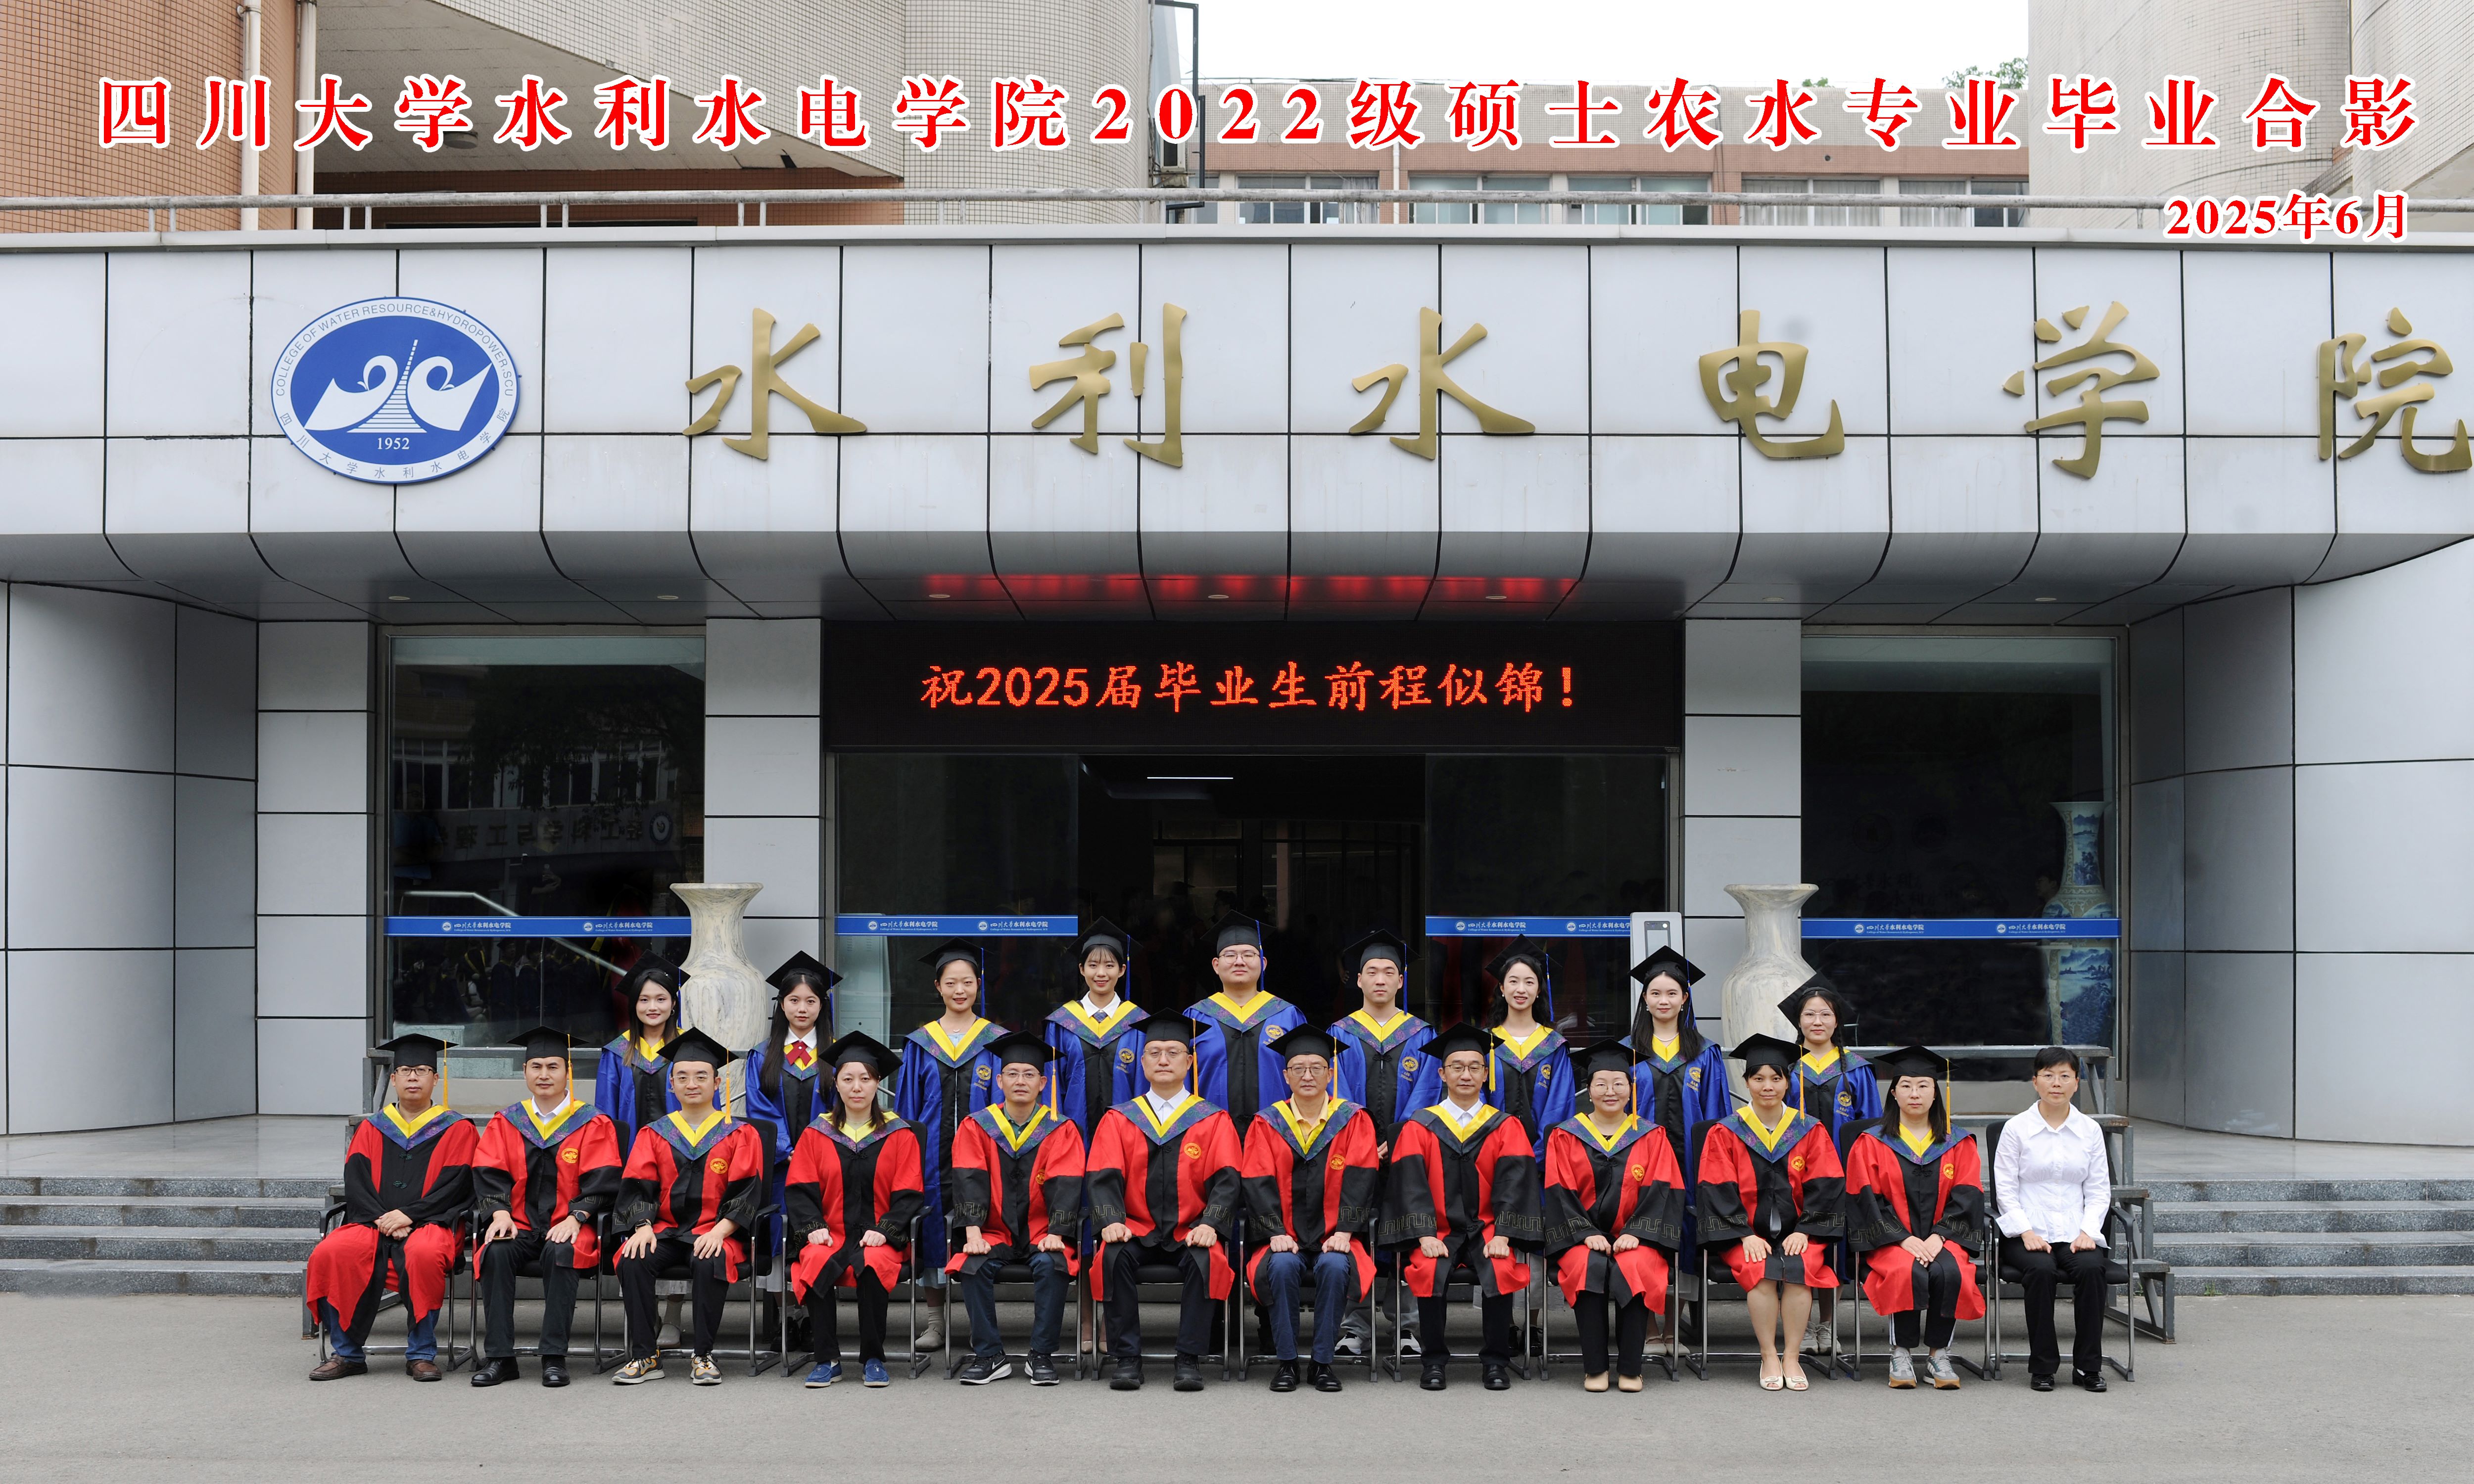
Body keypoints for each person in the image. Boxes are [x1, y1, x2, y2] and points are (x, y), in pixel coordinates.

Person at [304, 1034, 478, 1381]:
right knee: (332, 1252)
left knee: (424, 1253)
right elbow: (356, 1183)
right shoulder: (372, 1128)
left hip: (432, 1223)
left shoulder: (458, 1129)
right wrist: (385, 1220)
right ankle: (348, 1354)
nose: (414, 1077)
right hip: (372, 1222)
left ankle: (421, 1354)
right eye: (406, 1071)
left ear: (435, 1079)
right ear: (394, 1079)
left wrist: (410, 1215)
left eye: (422, 1070)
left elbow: (457, 1186)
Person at [1381, 1022, 1544, 1392]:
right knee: (1427, 1267)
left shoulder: (1505, 1127)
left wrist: (1504, 1234)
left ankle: (1496, 1361)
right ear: (1442, 1074)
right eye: (1457, 1067)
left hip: (1489, 1228)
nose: (1466, 1075)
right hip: (1437, 1229)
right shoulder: (1420, 1126)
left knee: (1501, 1267)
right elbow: (1409, 1185)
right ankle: (1433, 1361)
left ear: (1486, 1074)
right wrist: (1424, 1235)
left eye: (1474, 1067)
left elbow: (1516, 1184)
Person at [1087, 1016, 1244, 1392]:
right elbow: (1103, 1175)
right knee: (1112, 1256)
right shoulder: (1120, 1119)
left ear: (1189, 1062)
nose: (1163, 1060)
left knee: (1208, 1260)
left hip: (1191, 1229)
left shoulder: (1212, 1119)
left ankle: (1189, 1358)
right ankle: (1126, 1358)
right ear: (1142, 1063)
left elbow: (1228, 1179)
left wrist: (1211, 1224)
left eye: (1173, 1053)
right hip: (1135, 1228)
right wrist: (1111, 1220)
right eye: (1154, 1053)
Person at [611, 1027, 767, 1386]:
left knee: (710, 1258)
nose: (691, 1084)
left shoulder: (740, 1134)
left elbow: (747, 1192)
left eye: (701, 1076)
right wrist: (642, 1227)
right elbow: (637, 1186)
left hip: (716, 1232)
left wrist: (720, 1232)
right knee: (634, 1257)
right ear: (671, 1085)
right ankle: (644, 1355)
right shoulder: (654, 1133)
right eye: (682, 1077)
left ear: (717, 1082)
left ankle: (703, 1355)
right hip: (665, 1231)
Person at [470, 1025, 623, 1389]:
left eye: (553, 1066)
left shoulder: (592, 1122)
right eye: (536, 1067)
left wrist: (577, 1217)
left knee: (561, 1251)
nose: (544, 1074)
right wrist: (500, 1212)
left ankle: (554, 1357)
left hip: (569, 1224)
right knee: (496, 1253)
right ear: (524, 1072)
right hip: (518, 1223)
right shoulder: (507, 1122)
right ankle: (500, 1358)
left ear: (568, 1071)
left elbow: (605, 1180)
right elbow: (489, 1172)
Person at [1697, 1033, 1845, 1391]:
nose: (1768, 1086)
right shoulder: (1725, 1132)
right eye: (1759, 1078)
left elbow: (1827, 1185)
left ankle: (1792, 1356)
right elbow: (1716, 1187)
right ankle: (1768, 1355)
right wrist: (1744, 1235)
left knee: (1799, 1270)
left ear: (1788, 1083)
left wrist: (1806, 1230)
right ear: (1747, 1083)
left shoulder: (1809, 1129)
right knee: (1760, 1271)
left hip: (1801, 1231)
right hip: (1744, 1234)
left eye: (1776, 1078)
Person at [1543, 1040, 1685, 1393]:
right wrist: (1584, 1233)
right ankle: (1595, 1368)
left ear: (1631, 1089)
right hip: (1581, 1235)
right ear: (1588, 1090)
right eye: (1602, 1084)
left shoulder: (1652, 1136)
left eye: (1619, 1083)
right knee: (1585, 1264)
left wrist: (1637, 1232)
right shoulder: (1565, 1135)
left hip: (1638, 1236)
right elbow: (1558, 1191)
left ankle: (1631, 1369)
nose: (1611, 1091)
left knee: (1635, 1264)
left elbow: (1665, 1189)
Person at [1241, 1026, 1378, 1393]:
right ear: (1286, 1075)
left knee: (1334, 1266)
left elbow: (1362, 1177)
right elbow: (1256, 1180)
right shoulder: (1266, 1123)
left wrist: (1345, 1231)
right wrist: (1275, 1232)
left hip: (1336, 1235)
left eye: (1317, 1068)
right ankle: (1286, 1362)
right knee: (1282, 1266)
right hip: (1283, 1235)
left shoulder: (1353, 1120)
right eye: (1298, 1069)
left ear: (1330, 1074)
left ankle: (1322, 1363)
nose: (1307, 1075)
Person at [786, 1031, 925, 1390]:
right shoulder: (817, 1134)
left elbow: (909, 1193)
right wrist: (813, 1227)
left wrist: (886, 1229)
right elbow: (799, 1189)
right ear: (836, 1083)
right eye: (848, 1079)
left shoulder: (900, 1134)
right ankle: (826, 1359)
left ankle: (873, 1358)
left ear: (878, 1083)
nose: (857, 1087)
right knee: (815, 1257)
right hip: (830, 1233)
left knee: (875, 1261)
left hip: (879, 1235)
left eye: (865, 1078)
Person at [948, 1030, 1087, 1386]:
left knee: (1053, 1263)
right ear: (999, 1081)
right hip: (992, 1230)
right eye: (1012, 1074)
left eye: (1029, 1074)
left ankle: (1041, 1354)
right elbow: (968, 1177)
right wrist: (973, 1233)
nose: (1020, 1081)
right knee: (973, 1265)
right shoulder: (976, 1126)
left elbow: (1067, 1182)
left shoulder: (1060, 1129)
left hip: (1042, 1231)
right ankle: (990, 1355)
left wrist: (1057, 1233)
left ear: (1043, 1083)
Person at [1846, 1044, 1985, 1391]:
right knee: (1904, 1270)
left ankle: (1939, 1354)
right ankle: (1901, 1352)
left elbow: (1967, 1195)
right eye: (1906, 1086)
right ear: (1893, 1093)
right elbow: (1866, 1199)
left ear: (1936, 1093)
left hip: (1944, 1238)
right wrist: (1904, 1239)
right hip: (1892, 1240)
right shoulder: (1871, 1143)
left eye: (1924, 1086)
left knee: (1950, 1271)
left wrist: (1939, 1237)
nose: (1915, 1094)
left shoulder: (1958, 1142)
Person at [892, 938, 1005, 1351]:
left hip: (984, 1157)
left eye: (968, 982)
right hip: (930, 1158)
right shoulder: (920, 1044)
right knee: (934, 1232)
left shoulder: (996, 1042)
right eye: (951, 983)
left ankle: (980, 1323)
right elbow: (907, 1109)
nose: (960, 990)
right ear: (937, 987)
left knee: (980, 1230)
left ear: (979, 985)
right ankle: (935, 1322)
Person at [1327, 928, 1430, 1359]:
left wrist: (1400, 1138)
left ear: (1402, 981)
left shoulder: (1421, 1034)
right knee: (1356, 1231)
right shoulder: (1341, 1033)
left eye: (1390, 972)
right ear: (1358, 980)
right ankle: (1354, 1326)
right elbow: (1339, 1093)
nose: (1381, 979)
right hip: (1357, 1154)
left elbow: (1427, 1093)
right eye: (1372, 972)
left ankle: (1407, 1326)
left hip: (1408, 1154)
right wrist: (1366, 1141)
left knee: (1407, 1233)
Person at [1623, 945, 1731, 1343]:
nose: (1664, 1000)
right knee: (1643, 1230)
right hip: (1639, 1162)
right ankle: (1648, 1326)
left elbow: (1717, 1115)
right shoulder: (1628, 1052)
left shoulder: (1705, 1053)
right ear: (1645, 999)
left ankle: (1673, 1326)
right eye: (1655, 993)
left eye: (1672, 993)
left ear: (1685, 999)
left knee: (1685, 1236)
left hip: (1691, 1164)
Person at [1993, 1046, 2114, 1394]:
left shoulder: (2090, 1130)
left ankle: (2088, 1367)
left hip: (2075, 1232)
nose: (2056, 1084)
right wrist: (2026, 1231)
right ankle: (2043, 1367)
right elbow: (2005, 1189)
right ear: (2035, 1082)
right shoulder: (2016, 1129)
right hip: (2027, 1233)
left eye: (2064, 1076)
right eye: (2048, 1076)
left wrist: (2088, 1231)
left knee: (2092, 1269)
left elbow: (2099, 1189)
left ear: (2077, 1083)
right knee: (2041, 1270)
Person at [1775, 972, 1879, 1357]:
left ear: (1838, 1022)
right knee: (1797, 1245)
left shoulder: (1856, 1069)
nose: (1817, 1021)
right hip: (1793, 1176)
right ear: (1798, 1021)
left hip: (1845, 1175)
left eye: (1825, 1015)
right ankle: (1801, 1326)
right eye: (1809, 1014)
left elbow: (1871, 1128)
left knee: (1836, 1249)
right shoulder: (1786, 1068)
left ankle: (1828, 1323)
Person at [744, 951, 840, 1352]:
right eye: (794, 1000)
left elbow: (843, 1109)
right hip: (780, 1169)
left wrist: (815, 1152)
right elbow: (759, 1111)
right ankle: (787, 1317)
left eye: (811, 1001)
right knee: (779, 1238)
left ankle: (814, 1318)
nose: (802, 1008)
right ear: (781, 1005)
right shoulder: (761, 1056)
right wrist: (789, 1149)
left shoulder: (837, 1056)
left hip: (826, 1169)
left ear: (822, 1005)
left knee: (819, 1236)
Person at [1413, 936, 1573, 1146]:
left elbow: (1559, 1106)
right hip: (1490, 1152)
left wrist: (1540, 1155)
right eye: (1513, 981)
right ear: (1502, 988)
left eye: (1529, 982)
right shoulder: (1485, 1042)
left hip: (1543, 1157)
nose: (1521, 989)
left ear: (1539, 990)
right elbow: (1475, 1099)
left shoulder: (1554, 1046)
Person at [1187, 912, 1306, 1133]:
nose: (1239, 961)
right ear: (1216, 965)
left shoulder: (1287, 1016)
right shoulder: (1197, 1017)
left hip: (1277, 1134)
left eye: (1249, 955)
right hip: (1211, 1136)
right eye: (1230, 955)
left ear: (1263, 963)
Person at [1045, 918, 1149, 1138]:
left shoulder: (1138, 1023)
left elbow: (1143, 1084)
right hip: (1074, 1132)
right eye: (1093, 965)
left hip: (1125, 1133)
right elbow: (1054, 1088)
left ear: (1122, 970)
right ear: (1082, 969)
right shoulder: (1062, 1023)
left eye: (1109, 965)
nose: (1101, 973)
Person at [596, 953, 685, 1154]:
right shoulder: (617, 1052)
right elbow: (606, 1112)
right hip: (630, 1156)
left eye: (661, 999)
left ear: (673, 1004)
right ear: (634, 1004)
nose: (652, 1007)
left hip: (681, 1158)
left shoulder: (689, 1048)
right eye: (644, 1000)